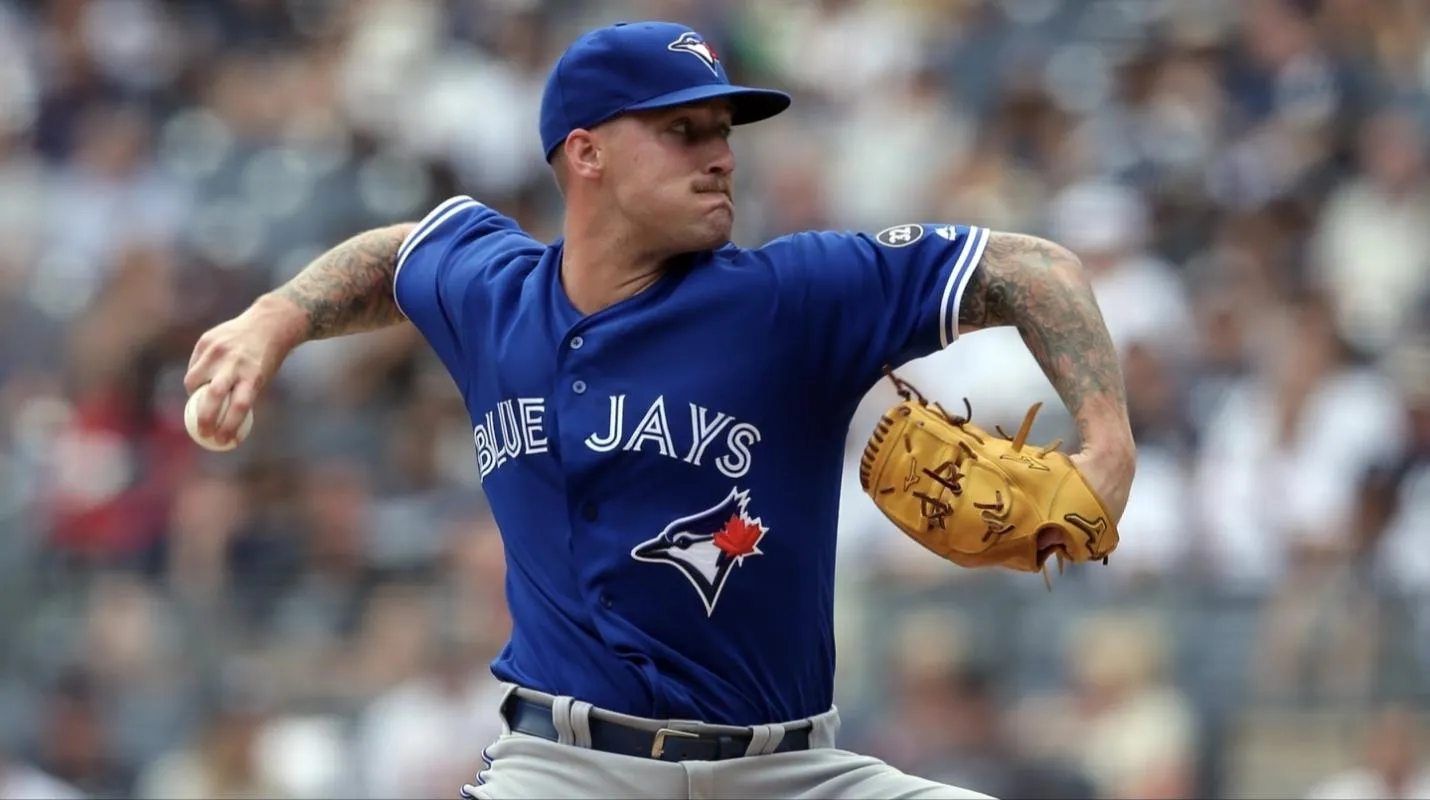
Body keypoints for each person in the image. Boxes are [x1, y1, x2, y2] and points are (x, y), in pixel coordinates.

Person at [184, 20, 1136, 800]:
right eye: (684, 131)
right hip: (563, 770)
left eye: (724, 131)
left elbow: (1029, 267)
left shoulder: (789, 298)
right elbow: (399, 257)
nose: (721, 156)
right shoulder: (497, 291)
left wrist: (1106, 442)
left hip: (793, 772)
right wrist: (274, 322)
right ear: (586, 152)